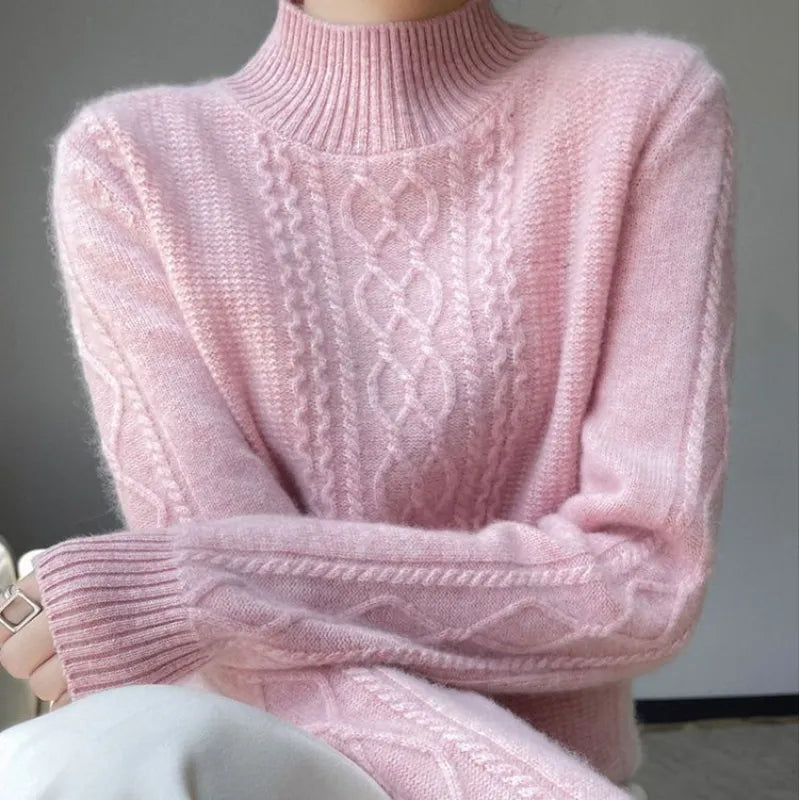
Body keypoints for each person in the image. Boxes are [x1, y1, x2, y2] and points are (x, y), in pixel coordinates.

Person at [0, 0, 736, 796]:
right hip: (272, 764)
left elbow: (642, 582)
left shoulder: (644, 103)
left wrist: (210, 584)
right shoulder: (130, 159)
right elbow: (254, 655)